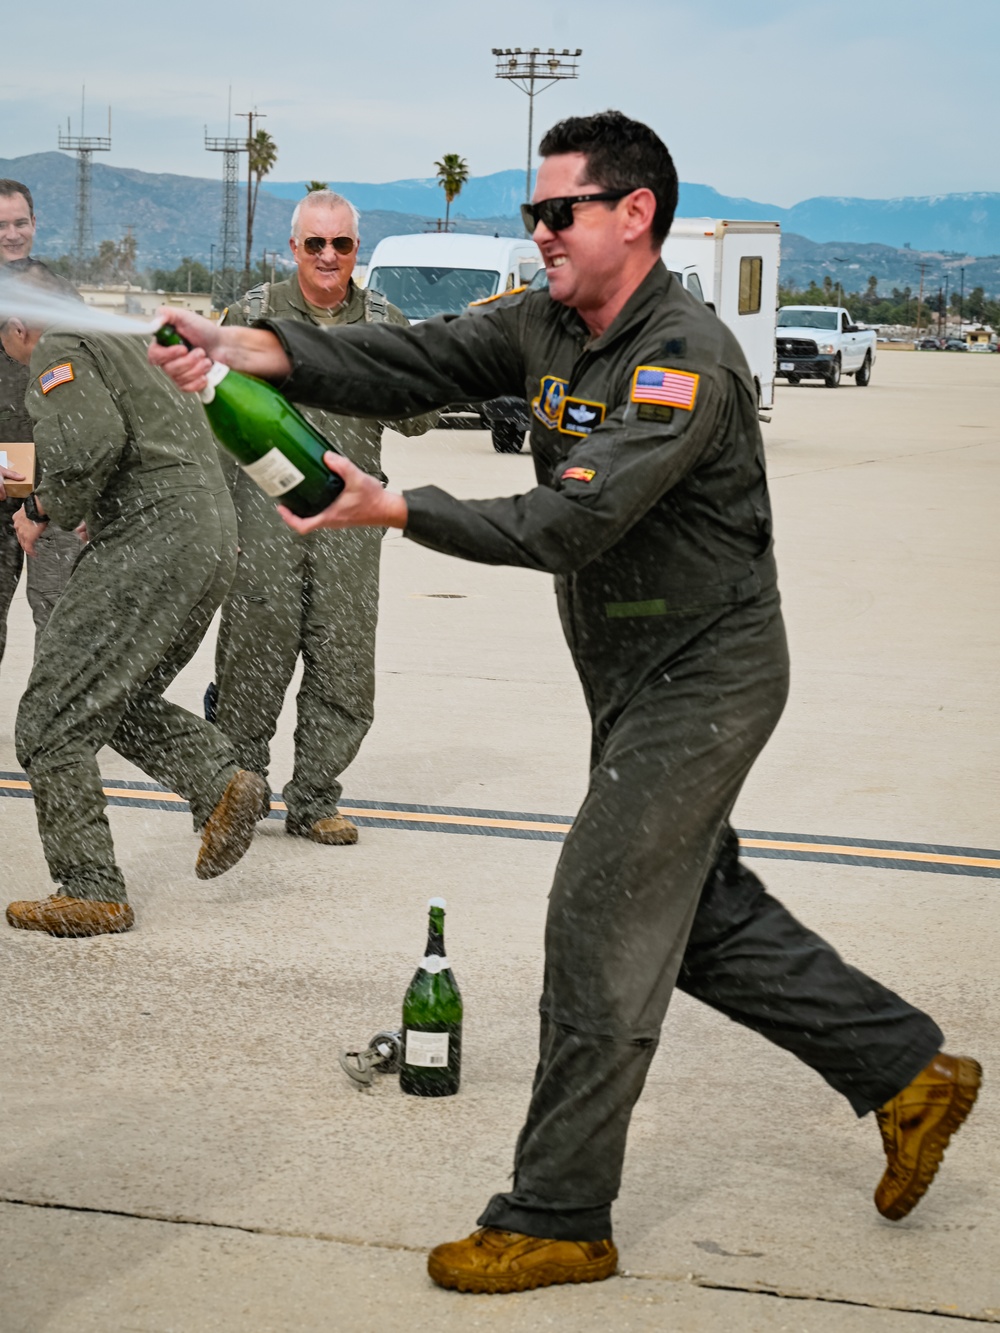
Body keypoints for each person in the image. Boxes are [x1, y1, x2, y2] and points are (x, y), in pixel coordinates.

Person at [150, 111, 981, 1294]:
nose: (536, 233)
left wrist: (398, 509)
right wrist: (242, 346)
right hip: (632, 671)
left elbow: (572, 520)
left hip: (707, 674)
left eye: (557, 213)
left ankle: (557, 1212)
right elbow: (413, 360)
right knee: (696, 917)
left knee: (598, 919)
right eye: (530, 214)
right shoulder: (549, 321)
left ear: (633, 213)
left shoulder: (680, 356)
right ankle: (909, 1072)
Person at [2, 263, 266, 938]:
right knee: (109, 697)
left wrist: (42, 506)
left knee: (49, 718)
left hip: (154, 538)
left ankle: (90, 886)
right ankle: (218, 781)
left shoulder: (60, 345)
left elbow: (88, 444)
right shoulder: (119, 337)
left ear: (19, 324)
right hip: (204, 533)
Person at [210, 190, 436, 844]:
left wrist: (396, 372)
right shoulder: (252, 317)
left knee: (343, 665)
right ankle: (238, 789)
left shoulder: (386, 323)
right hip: (264, 523)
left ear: (356, 250)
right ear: (295, 249)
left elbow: (419, 419)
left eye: (341, 244)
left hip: (351, 527)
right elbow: (204, 411)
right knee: (252, 658)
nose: (329, 256)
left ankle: (314, 797)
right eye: (316, 244)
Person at [0, 182, 85, 669]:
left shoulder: (59, 295)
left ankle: (50, 734)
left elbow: (88, 390)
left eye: (21, 223)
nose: (13, 235)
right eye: (2, 225)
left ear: (36, 224)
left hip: (50, 488)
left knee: (57, 618)